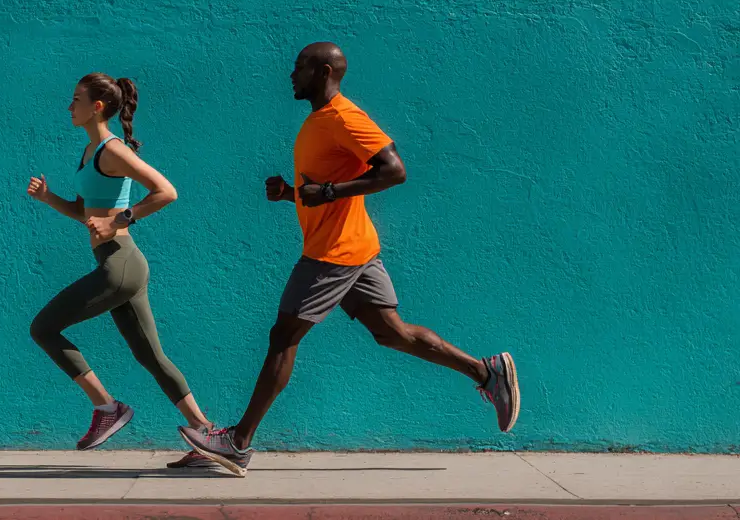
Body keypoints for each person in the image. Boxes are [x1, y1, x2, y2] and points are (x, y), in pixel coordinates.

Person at [178, 43, 520, 477]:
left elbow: (394, 170)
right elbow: (325, 185)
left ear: (322, 71)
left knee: (283, 335)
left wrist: (333, 193)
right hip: (353, 246)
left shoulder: (345, 117)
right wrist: (291, 194)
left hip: (333, 253)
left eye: (299, 66)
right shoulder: (318, 121)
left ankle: (237, 443)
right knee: (393, 334)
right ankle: (486, 372)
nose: (291, 74)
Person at [28, 72, 216, 468]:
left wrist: (120, 221)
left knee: (43, 328)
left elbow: (166, 191)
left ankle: (106, 407)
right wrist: (49, 200)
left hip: (121, 262)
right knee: (152, 358)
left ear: (97, 106)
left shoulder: (112, 150)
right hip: (116, 262)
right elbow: (86, 212)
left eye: (76, 99)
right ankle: (209, 437)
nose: (69, 106)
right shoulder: (89, 152)